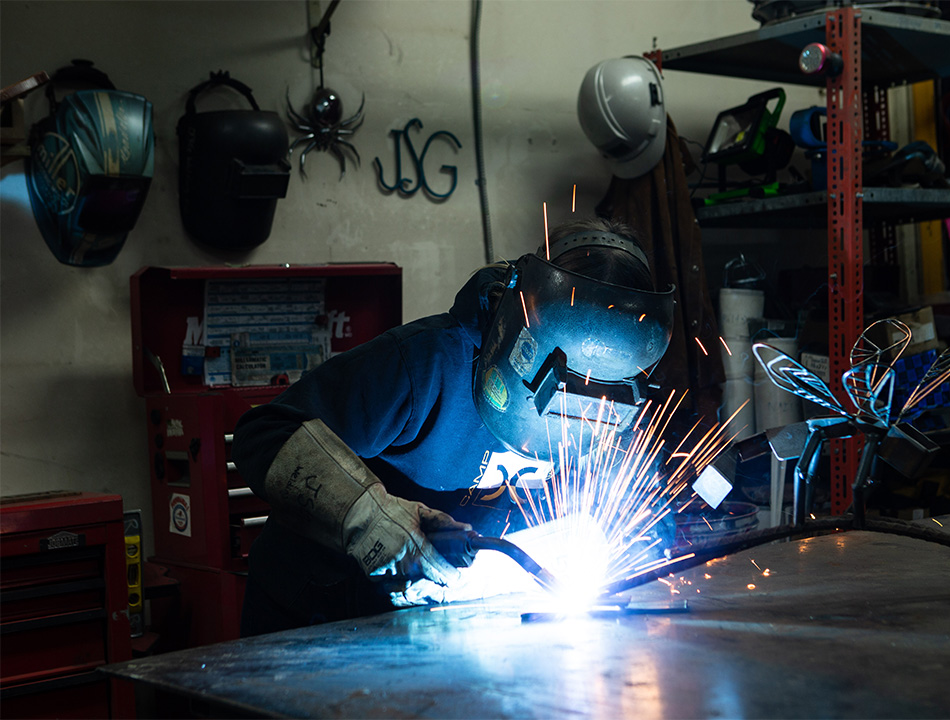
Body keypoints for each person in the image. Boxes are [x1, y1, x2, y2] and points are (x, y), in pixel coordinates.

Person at [233, 216, 675, 636]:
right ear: (525, 319)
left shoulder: (617, 394)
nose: (580, 404)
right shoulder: (427, 364)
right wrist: (367, 517)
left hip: (446, 629)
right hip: (319, 619)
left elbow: (645, 521)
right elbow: (266, 431)